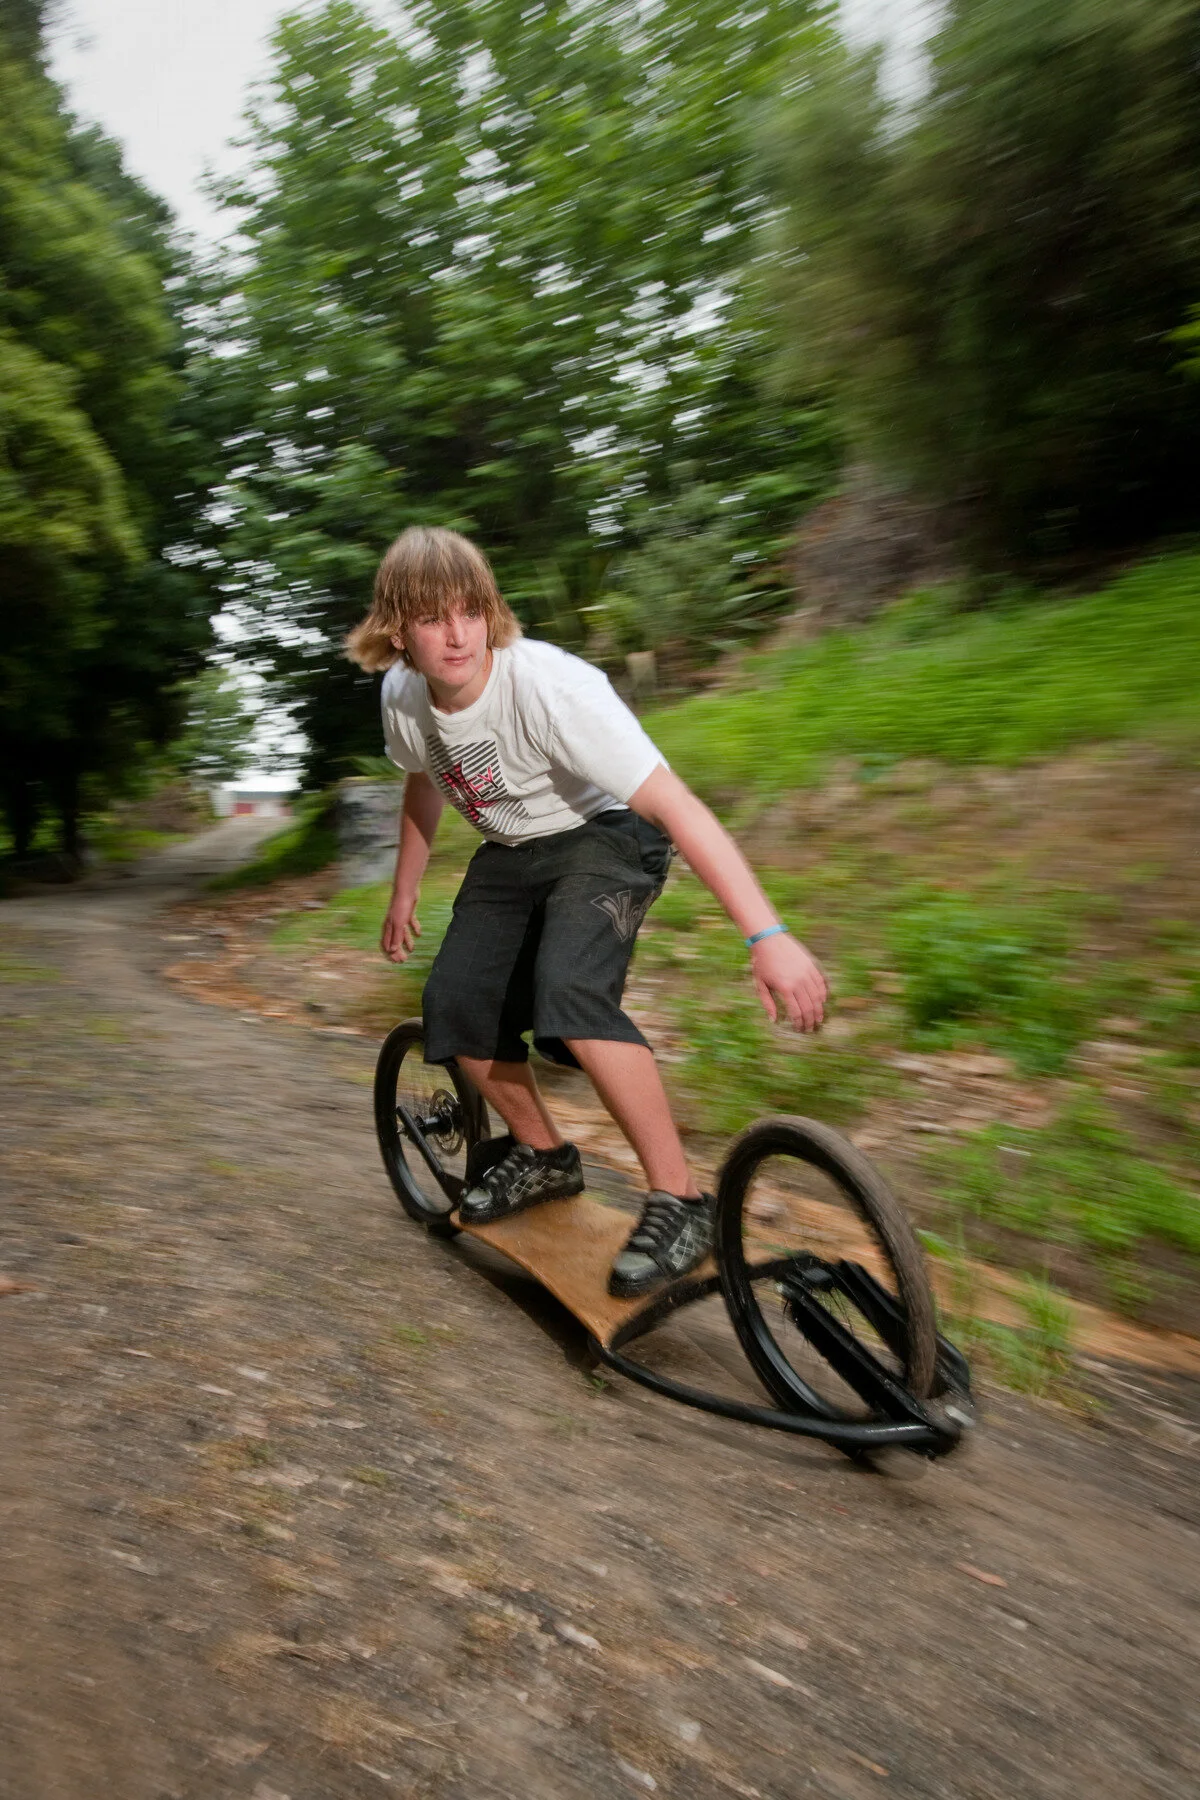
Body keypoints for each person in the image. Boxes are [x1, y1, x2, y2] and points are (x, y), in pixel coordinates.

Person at [347, 526, 827, 1298]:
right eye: (434, 618)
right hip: (511, 853)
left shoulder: (552, 689)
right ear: (397, 629)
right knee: (454, 1003)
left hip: (604, 838)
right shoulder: (403, 697)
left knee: (568, 997)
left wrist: (767, 935)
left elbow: (679, 807)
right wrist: (404, 890)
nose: (458, 633)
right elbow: (423, 781)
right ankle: (542, 1155)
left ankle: (682, 1200)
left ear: (490, 610)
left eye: (472, 610)